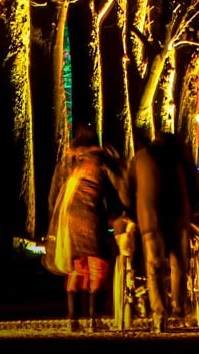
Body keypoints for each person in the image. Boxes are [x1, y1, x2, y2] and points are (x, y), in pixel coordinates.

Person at [50, 123, 126, 332]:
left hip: (68, 222)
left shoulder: (67, 163)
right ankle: (95, 318)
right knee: (98, 266)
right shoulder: (100, 162)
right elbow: (114, 191)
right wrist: (118, 213)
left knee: (76, 267)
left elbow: (53, 195)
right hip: (91, 218)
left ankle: (73, 318)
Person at [129, 129, 199, 333]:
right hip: (177, 217)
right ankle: (179, 308)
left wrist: (131, 212)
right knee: (179, 263)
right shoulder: (180, 157)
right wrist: (194, 209)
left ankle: (159, 315)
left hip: (150, 220)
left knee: (154, 266)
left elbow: (128, 188)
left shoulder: (140, 158)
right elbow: (195, 185)